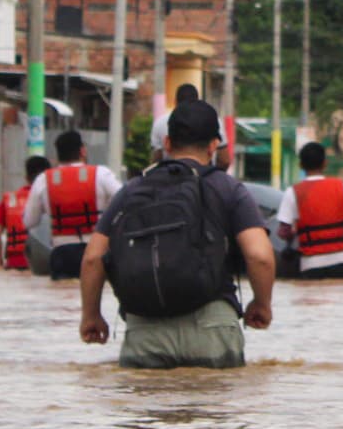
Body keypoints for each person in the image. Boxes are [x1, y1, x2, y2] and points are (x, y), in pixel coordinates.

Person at [78, 99, 276, 369]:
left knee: (151, 407)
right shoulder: (229, 189)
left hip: (144, 330)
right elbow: (259, 256)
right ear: (213, 146)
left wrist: (91, 315)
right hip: (212, 327)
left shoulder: (132, 190)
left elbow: (92, 258)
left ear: (167, 144)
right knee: (213, 407)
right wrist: (261, 304)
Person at [25, 128, 121, 282]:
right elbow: (126, 202)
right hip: (96, 251)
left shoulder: (43, 180)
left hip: (62, 254)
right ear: (82, 151)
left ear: (57, 155)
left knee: (62, 301)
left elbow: (29, 221)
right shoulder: (102, 174)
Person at [275, 141, 343, 280]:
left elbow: (283, 231)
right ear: (325, 163)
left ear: (300, 165)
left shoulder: (293, 192)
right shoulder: (342, 187)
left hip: (311, 262)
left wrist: (294, 233)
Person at [0, 155, 49, 271]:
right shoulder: (52, 198)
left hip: (14, 264)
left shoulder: (9, 200)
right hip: (43, 264)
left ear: (26, 177)